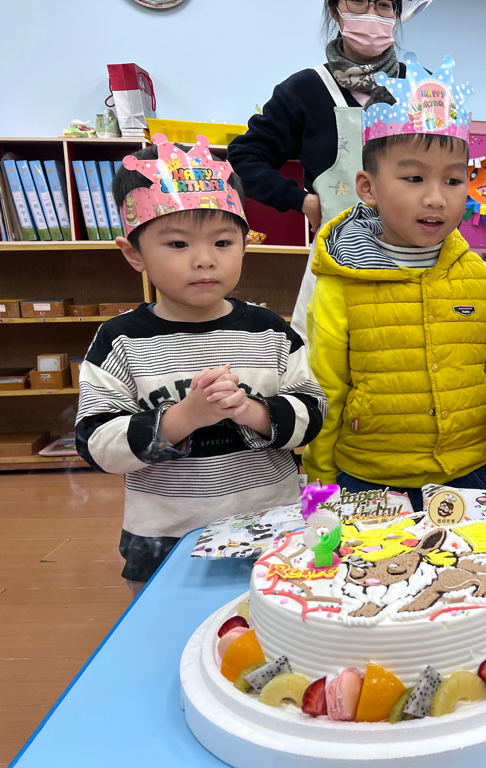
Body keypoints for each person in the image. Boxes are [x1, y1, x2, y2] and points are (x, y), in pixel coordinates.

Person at [75, 136, 327, 595]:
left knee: (268, 627)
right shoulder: (120, 341)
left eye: (223, 241)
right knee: (167, 629)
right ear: (134, 253)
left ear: (245, 244)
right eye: (177, 243)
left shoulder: (271, 331)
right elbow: (96, 443)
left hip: (271, 528)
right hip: (164, 539)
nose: (205, 259)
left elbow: (312, 412)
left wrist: (253, 411)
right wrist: (182, 418)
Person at [302, 54, 486, 510]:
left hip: (469, 473)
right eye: (414, 177)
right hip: (368, 479)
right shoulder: (340, 284)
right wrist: (318, 490)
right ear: (368, 187)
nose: (436, 198)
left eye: (453, 180)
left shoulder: (482, 281)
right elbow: (326, 393)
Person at [227, 0, 410, 341]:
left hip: (417, 257)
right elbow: (244, 156)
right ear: (335, 10)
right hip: (338, 257)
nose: (371, 14)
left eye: (384, 5)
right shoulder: (305, 90)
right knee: (327, 355)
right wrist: (300, 200)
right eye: (359, 2)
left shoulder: (421, 87)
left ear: (396, 15)